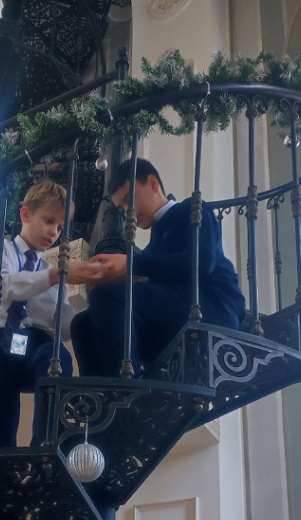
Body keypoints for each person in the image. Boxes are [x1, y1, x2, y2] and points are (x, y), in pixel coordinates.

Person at [0, 179, 100, 520]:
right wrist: (57, 275)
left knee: (56, 358)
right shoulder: (0, 248)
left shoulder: (49, 271)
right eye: (48, 221)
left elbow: (62, 322)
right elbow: (1, 287)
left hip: (33, 344)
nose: (53, 233)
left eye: (59, 227)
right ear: (25, 214)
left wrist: (99, 308)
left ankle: (44, 449)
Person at [70, 159, 245, 377]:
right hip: (180, 316)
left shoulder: (191, 209)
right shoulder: (154, 244)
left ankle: (125, 389)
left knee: (108, 297)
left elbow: (202, 263)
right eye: (122, 209)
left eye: (130, 199)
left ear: (152, 183)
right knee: (82, 324)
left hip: (215, 307)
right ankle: (102, 395)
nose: (128, 213)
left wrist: (131, 265)